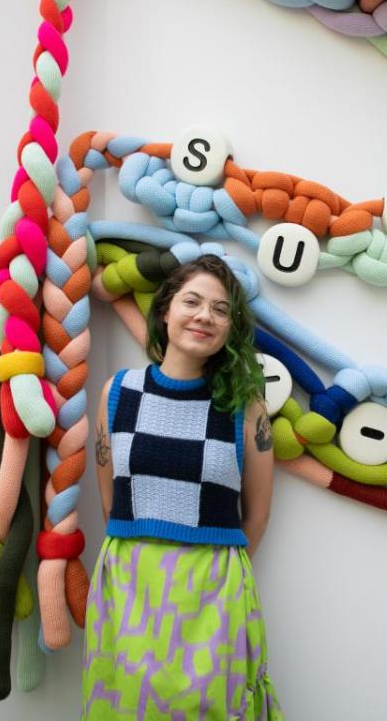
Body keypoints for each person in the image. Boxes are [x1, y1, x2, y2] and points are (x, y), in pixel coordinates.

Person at [84, 254, 282, 719]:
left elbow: (257, 514)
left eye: (219, 309)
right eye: (192, 301)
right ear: (165, 310)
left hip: (213, 594)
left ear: (230, 329)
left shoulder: (246, 408)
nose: (203, 316)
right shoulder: (118, 392)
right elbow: (113, 500)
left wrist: (208, 576)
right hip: (130, 582)